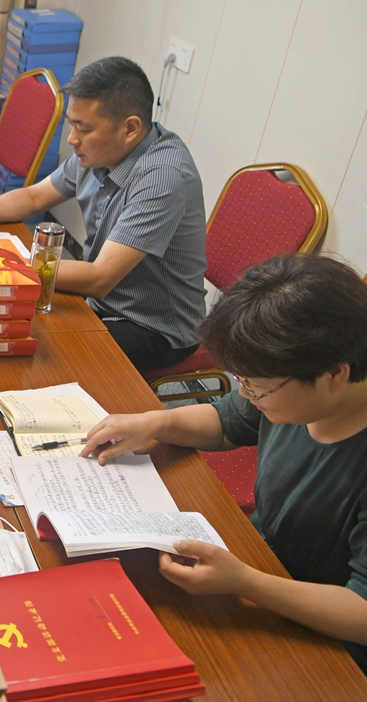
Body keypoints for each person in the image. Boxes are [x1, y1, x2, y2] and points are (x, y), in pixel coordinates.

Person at [80, 254, 367, 671]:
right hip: (260, 565)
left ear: (335, 375)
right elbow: (227, 420)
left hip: (329, 641)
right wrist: (156, 422)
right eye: (241, 381)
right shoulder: (292, 390)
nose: (248, 394)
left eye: (258, 387)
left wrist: (245, 582)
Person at [0, 56, 207, 373]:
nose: (72, 139)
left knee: (41, 356)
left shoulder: (163, 178)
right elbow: (34, 196)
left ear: (130, 128)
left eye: (82, 128)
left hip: (153, 328)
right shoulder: (100, 149)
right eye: (72, 124)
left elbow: (100, 278)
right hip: (103, 303)